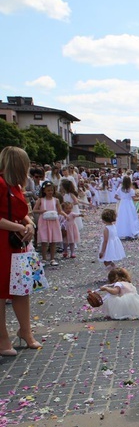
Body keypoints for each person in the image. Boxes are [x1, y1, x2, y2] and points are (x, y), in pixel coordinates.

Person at [0, 146, 40, 355]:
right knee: (1, 292)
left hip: (18, 243)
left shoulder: (15, 186)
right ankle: (2, 338)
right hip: (4, 243)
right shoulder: (0, 184)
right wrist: (21, 226)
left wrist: (29, 224)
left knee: (22, 290)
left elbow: (22, 212)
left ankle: (26, 331)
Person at [33, 180, 65, 267]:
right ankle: (44, 258)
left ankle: (52, 258)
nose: (50, 192)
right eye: (48, 190)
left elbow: (59, 210)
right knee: (44, 240)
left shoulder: (56, 200)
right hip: (44, 221)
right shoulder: (41, 200)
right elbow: (34, 210)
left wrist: (64, 215)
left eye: (51, 190)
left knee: (53, 241)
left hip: (53, 221)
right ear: (44, 191)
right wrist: (42, 211)